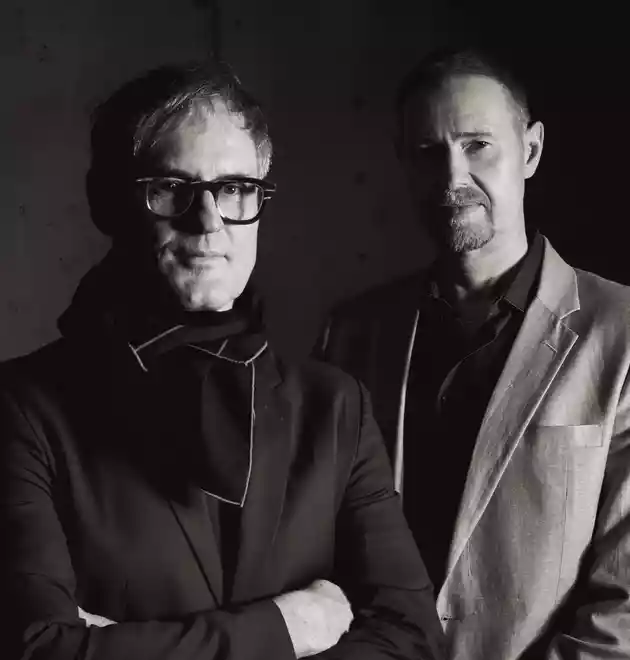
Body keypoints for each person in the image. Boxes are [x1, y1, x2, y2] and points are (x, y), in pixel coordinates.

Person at [0, 61, 445, 660]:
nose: (209, 221)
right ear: (109, 202)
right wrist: (286, 628)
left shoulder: (336, 407)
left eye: (235, 188)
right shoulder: (23, 410)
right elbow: (38, 651)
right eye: (171, 188)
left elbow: (412, 638)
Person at [317, 47, 630, 660]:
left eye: (478, 145)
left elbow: (624, 607)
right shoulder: (351, 336)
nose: (452, 178)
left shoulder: (621, 333)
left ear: (531, 151)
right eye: (427, 152)